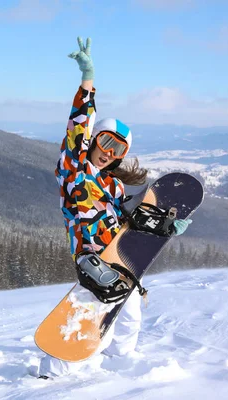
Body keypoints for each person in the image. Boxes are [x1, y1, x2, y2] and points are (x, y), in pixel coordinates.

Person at [38, 37, 192, 378]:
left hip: (119, 252)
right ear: (94, 141)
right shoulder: (74, 167)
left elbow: (129, 216)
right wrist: (87, 81)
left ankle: (121, 369)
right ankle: (51, 372)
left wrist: (165, 225)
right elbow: (78, 124)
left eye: (117, 149)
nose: (109, 152)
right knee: (93, 311)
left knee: (131, 314)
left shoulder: (113, 185)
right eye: (105, 142)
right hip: (92, 256)